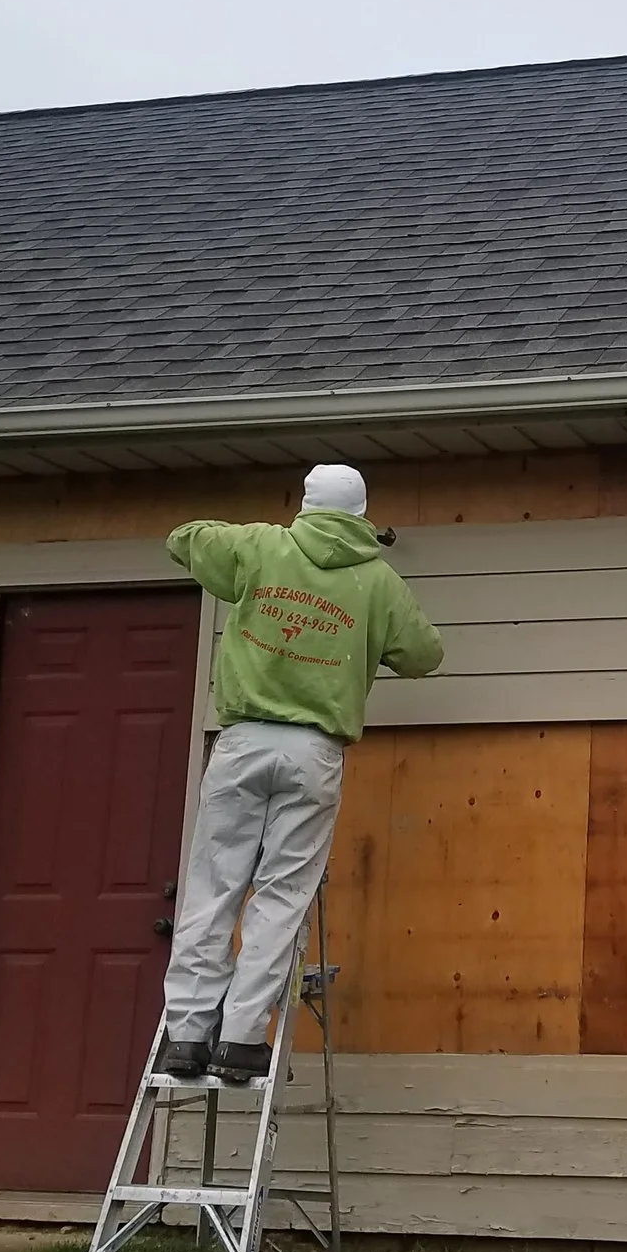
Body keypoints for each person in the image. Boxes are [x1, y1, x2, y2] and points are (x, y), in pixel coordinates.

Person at [157, 463, 443, 1081]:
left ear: (306, 505)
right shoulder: (378, 580)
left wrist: (256, 553)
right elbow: (424, 655)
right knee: (282, 895)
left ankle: (185, 1034)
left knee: (215, 885)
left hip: (244, 741)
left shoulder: (260, 547)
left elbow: (184, 537)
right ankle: (240, 1040)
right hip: (314, 750)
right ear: (363, 513)